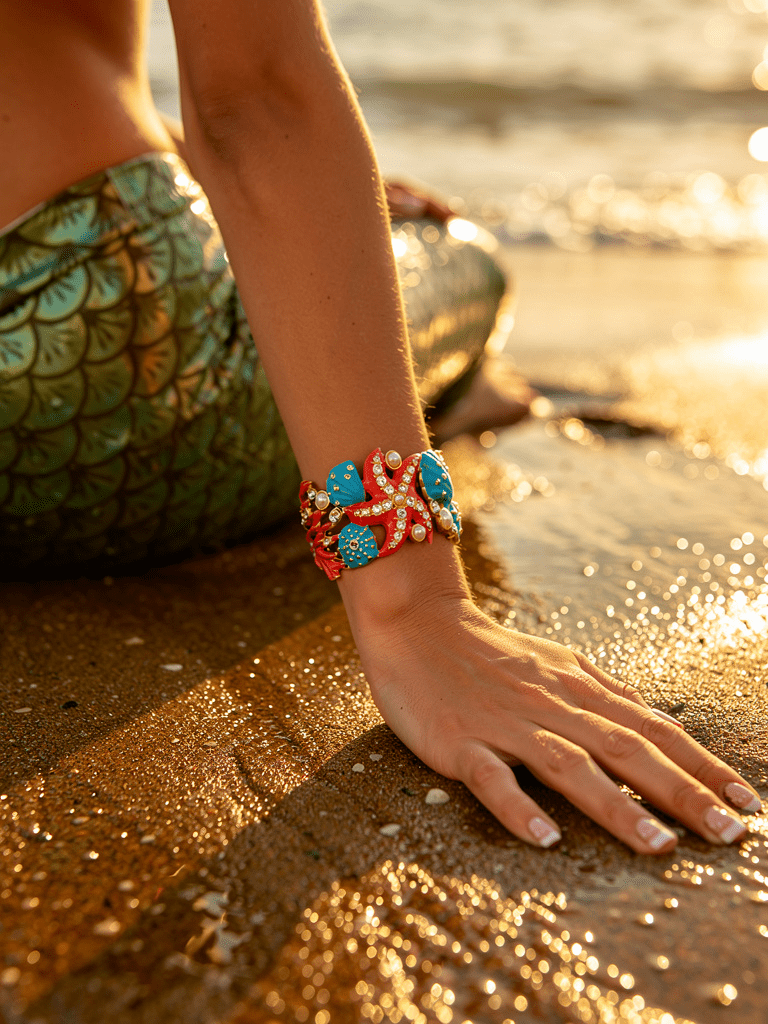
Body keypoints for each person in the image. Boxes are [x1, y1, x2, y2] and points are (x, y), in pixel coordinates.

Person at [0, 0, 761, 853]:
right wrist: (414, 610)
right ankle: (450, 398)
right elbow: (256, 96)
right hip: (80, 364)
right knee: (460, 254)